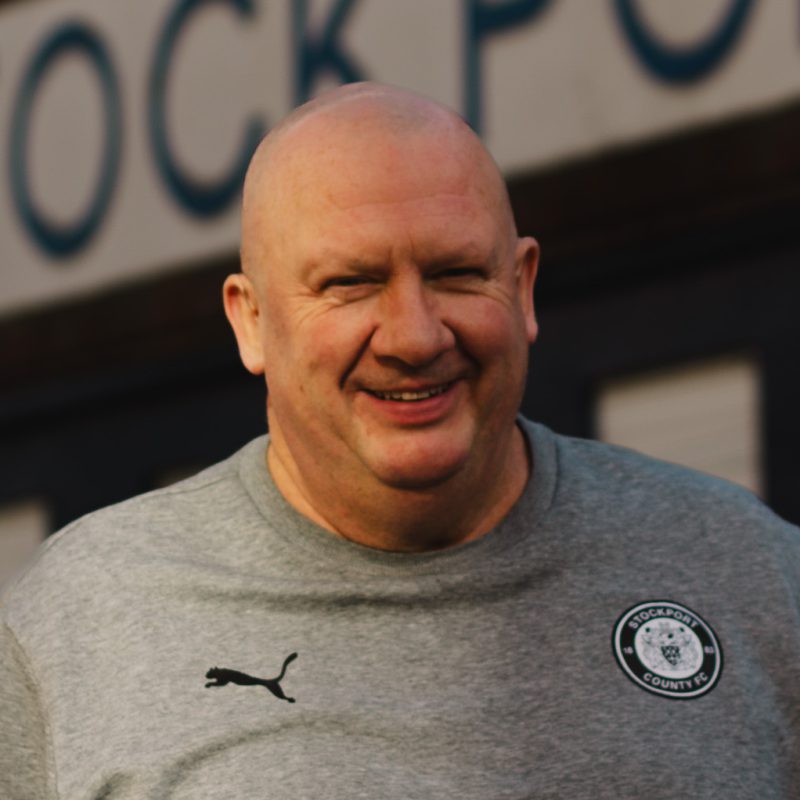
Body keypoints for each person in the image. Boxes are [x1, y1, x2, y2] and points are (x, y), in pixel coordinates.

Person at [1, 83, 799, 799]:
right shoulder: (78, 623)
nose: (414, 336)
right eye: (349, 284)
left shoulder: (753, 577)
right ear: (251, 320)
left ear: (522, 288)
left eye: (456, 273)